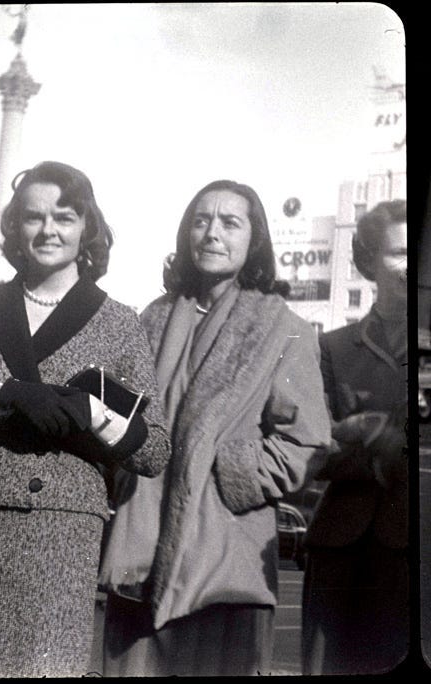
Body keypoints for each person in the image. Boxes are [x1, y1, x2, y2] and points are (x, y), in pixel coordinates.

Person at [0, 161, 170, 679]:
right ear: (15, 227)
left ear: (87, 227)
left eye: (65, 217)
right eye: (33, 217)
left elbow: (154, 450)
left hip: (60, 537)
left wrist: (93, 413)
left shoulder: (120, 322)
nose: (48, 230)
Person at [98, 179, 332, 676]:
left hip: (224, 566)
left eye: (230, 223)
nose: (212, 233)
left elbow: (306, 441)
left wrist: (226, 472)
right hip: (138, 558)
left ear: (255, 239)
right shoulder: (152, 318)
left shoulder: (285, 329)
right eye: (201, 220)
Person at [301, 199, 408, 675]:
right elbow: (315, 450)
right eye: (399, 253)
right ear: (368, 262)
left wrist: (370, 432)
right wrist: (384, 443)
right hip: (339, 549)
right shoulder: (332, 346)